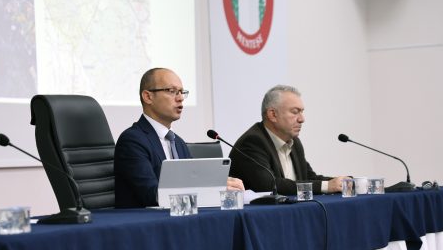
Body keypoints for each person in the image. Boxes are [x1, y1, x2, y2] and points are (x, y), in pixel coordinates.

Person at [114, 68, 244, 208]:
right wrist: (209, 190)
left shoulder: (178, 143)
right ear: (148, 97)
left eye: (182, 92)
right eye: (172, 91)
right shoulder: (132, 141)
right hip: (144, 219)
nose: (180, 98)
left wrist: (218, 185)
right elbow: (151, 195)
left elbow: (194, 182)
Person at [229, 85, 347, 195]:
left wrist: (342, 183)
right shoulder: (253, 142)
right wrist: (326, 186)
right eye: (295, 112)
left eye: (302, 112)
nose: (302, 119)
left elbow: (308, 178)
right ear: (273, 115)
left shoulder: (294, 142)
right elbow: (269, 185)